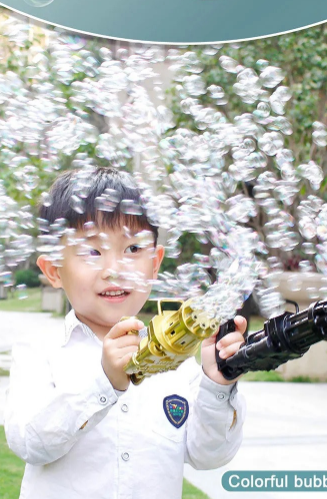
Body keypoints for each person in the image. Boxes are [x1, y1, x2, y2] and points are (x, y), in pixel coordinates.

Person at [5, 167, 247, 499]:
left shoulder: (176, 362)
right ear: (53, 270)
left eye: (133, 249)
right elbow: (31, 443)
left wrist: (217, 384)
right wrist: (104, 382)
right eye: (92, 251)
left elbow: (209, 455)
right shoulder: (39, 353)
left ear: (155, 262)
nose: (114, 270)